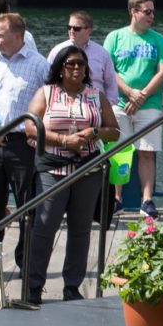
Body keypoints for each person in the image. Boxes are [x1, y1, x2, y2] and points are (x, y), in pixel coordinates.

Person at [24, 46, 120, 305]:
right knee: (44, 227)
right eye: (70, 64)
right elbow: (31, 128)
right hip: (53, 169)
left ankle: (72, 286)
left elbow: (115, 130)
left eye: (81, 64)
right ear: (60, 67)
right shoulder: (47, 93)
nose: (76, 68)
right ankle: (34, 285)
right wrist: (64, 140)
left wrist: (95, 133)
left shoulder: (95, 95)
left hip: (87, 170)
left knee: (80, 230)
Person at [0, 13, 50, 274]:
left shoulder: (39, 65)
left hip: (23, 144)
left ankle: (25, 261)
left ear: (17, 36)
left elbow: (51, 101)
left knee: (28, 205)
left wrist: (39, 132)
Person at [104, 0, 163, 219]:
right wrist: (129, 93)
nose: (152, 16)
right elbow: (109, 70)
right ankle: (116, 199)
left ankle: (147, 200)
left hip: (149, 103)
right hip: (120, 102)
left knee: (147, 153)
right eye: (147, 12)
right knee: (118, 152)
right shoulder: (115, 37)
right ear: (134, 12)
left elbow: (162, 72)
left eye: (153, 12)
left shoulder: (158, 39)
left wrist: (141, 96)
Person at [47, 11, 119, 106]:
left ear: (89, 30)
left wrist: (105, 108)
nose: (71, 31)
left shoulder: (102, 53)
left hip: (97, 108)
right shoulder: (57, 51)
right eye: (69, 27)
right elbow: (49, 80)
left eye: (76, 28)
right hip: (64, 107)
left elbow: (111, 86)